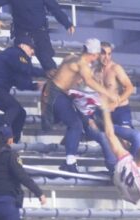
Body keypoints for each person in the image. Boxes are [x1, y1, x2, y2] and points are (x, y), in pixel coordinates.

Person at [41, 38, 117, 173]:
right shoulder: (81, 64)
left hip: (62, 94)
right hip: (56, 95)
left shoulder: (71, 57)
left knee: (84, 121)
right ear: (94, 54)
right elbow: (89, 82)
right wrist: (108, 94)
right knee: (75, 124)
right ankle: (70, 162)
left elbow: (70, 80)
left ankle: (71, 151)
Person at [0, 36, 45, 143]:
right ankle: (1, 135)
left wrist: (34, 86)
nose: (33, 52)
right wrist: (46, 73)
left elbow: (20, 82)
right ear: (22, 45)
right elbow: (25, 68)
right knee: (13, 107)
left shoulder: (14, 57)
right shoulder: (17, 54)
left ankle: (9, 142)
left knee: (21, 113)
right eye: (31, 48)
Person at [0, 125, 47, 220]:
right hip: (6, 202)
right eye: (12, 139)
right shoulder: (10, 156)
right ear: (9, 140)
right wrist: (39, 193)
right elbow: (22, 176)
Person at [0, 0, 75, 75]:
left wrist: (67, 23)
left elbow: (55, 9)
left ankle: (52, 90)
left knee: (50, 66)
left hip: (40, 34)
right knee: (21, 64)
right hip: (22, 34)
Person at [94, 41, 140, 152]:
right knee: (112, 143)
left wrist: (116, 103)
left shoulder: (116, 68)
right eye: (103, 53)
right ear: (97, 54)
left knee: (125, 141)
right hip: (104, 112)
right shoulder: (95, 71)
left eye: (109, 54)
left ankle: (134, 164)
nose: (106, 57)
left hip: (120, 110)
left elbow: (130, 87)